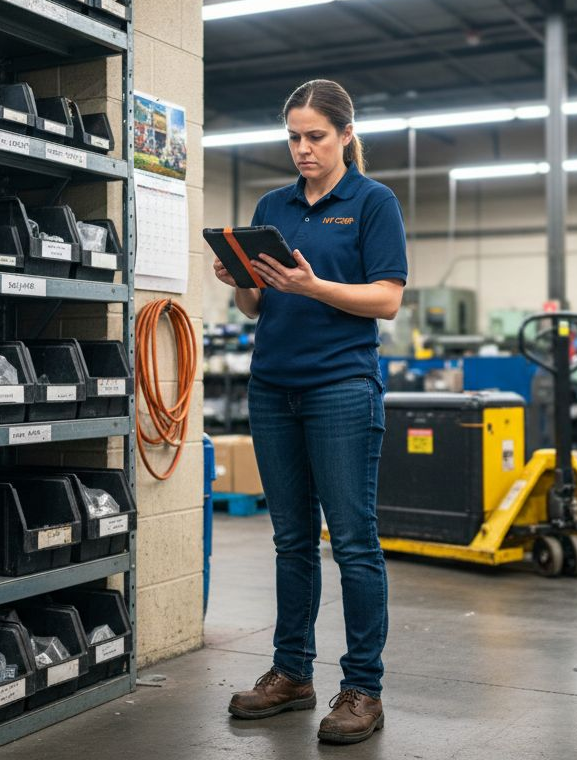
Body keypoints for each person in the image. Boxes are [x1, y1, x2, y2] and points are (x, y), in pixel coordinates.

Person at [214, 78, 407, 745]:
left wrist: (312, 284)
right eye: (293, 137)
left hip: (340, 390)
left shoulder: (373, 203)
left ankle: (363, 688)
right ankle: (292, 673)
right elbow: (256, 308)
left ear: (346, 135)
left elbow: (385, 300)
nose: (302, 149)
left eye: (315, 137)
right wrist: (243, 280)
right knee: (291, 540)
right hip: (273, 388)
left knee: (354, 543)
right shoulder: (274, 205)